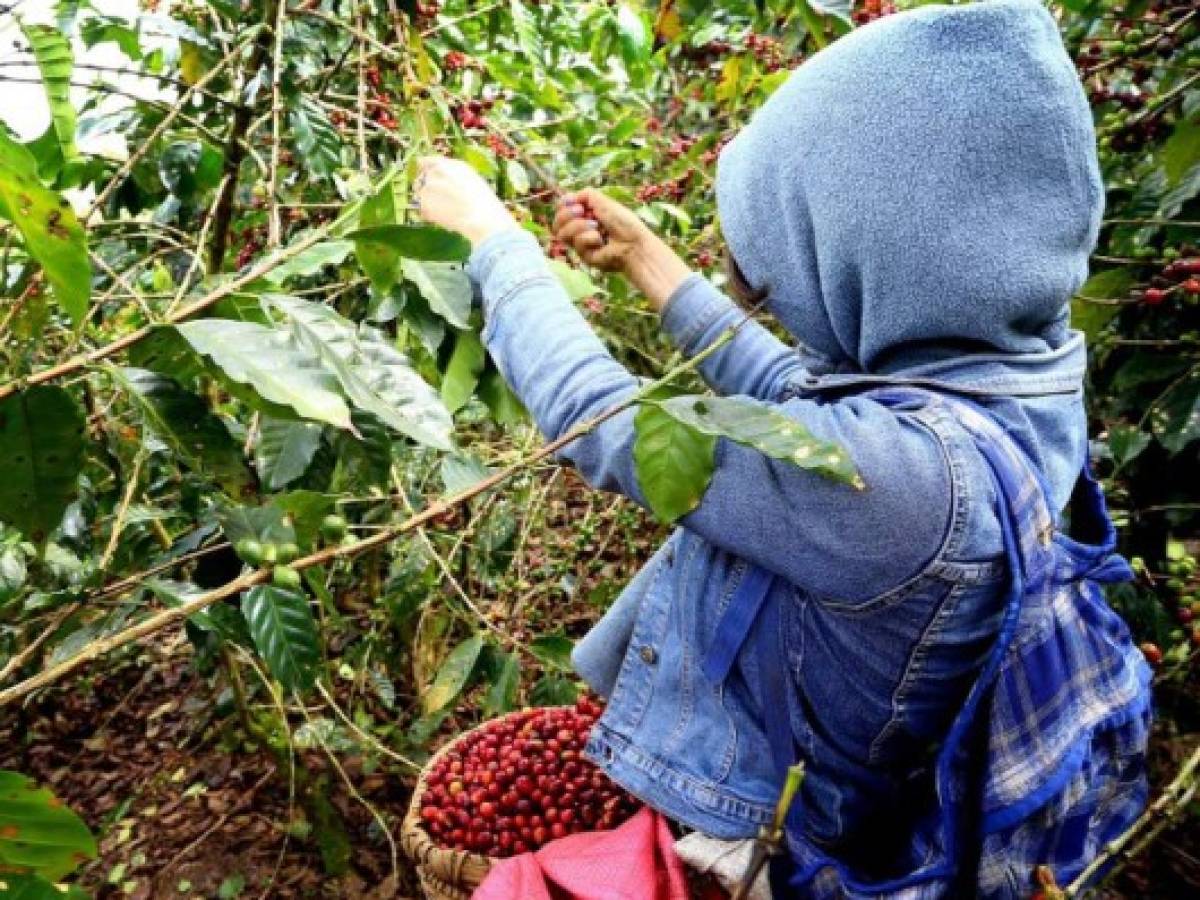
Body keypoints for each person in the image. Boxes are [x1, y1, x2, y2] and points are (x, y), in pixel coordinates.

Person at [413, 0, 1153, 896]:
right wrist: (653, 266)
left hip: (771, 848)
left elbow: (606, 425)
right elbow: (794, 402)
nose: (768, 282)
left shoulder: (904, 491)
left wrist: (496, 246)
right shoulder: (1021, 383)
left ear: (868, 243)